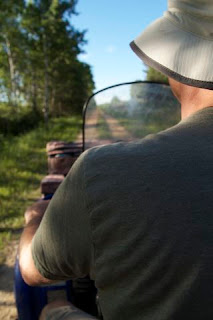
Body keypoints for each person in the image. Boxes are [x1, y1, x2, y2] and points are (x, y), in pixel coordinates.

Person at [19, 0, 213, 319]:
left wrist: (34, 221)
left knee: (53, 308)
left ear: (180, 64)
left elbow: (33, 270)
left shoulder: (102, 171)